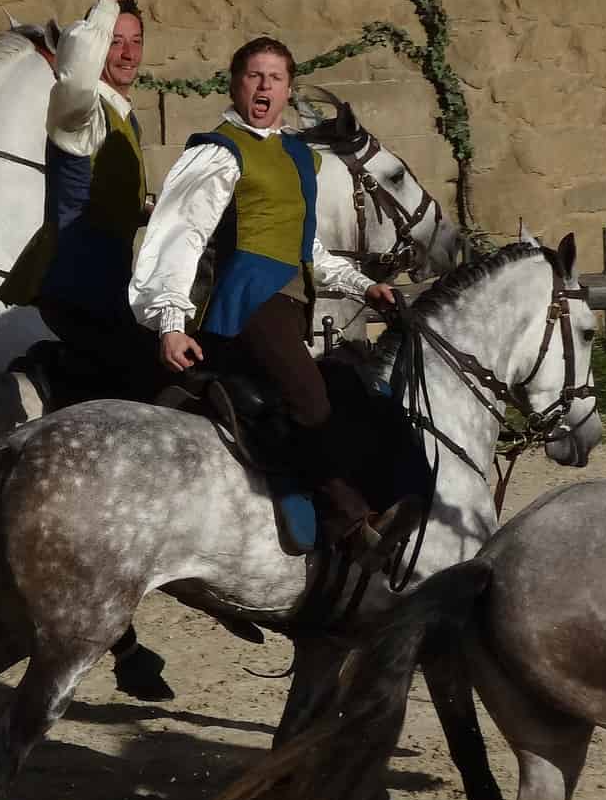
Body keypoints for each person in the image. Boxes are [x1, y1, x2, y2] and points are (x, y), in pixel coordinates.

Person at [130, 35, 405, 552]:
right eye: (254, 75)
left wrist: (363, 285)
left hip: (287, 307)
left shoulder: (296, 156)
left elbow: (308, 247)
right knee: (311, 398)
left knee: (351, 386)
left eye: (275, 78)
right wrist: (170, 323)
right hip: (246, 307)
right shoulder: (218, 152)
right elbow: (180, 233)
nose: (264, 86)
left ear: (288, 90)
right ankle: (350, 523)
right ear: (235, 84)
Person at [0, 0, 160, 399]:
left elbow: (105, 201)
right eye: (114, 43)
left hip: (108, 287)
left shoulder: (126, 118)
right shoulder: (81, 113)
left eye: (135, 42)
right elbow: (75, 76)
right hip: (76, 288)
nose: (127, 54)